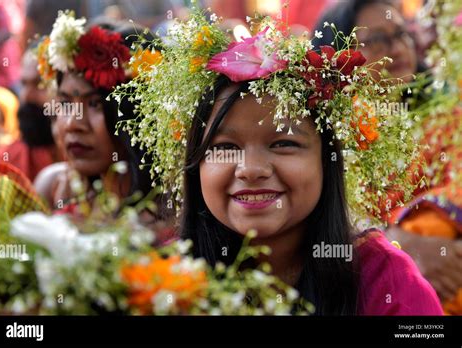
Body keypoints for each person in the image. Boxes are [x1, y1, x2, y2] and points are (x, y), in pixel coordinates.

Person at [118, 9, 443, 315]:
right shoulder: (160, 280)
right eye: (226, 147)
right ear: (195, 164)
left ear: (327, 161)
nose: (251, 169)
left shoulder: (387, 282)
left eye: (284, 143)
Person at [314, 0, 462, 314]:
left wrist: (437, 243)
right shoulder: (326, 135)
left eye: (401, 34)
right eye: (378, 39)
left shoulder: (447, 119)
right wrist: (394, 242)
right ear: (339, 58)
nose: (396, 47)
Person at [32, 12, 174, 241]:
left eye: (95, 103)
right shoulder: (51, 188)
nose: (72, 124)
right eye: (65, 102)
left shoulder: (175, 215)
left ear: (141, 112)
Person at [0, 48, 59, 182]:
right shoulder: (6, 162)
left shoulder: (89, 160)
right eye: (23, 83)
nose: (26, 96)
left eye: (40, 84)